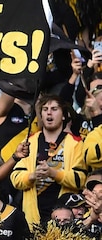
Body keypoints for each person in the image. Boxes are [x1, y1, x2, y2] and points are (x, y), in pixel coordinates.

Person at [11, 94, 87, 225]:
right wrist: (32, 176)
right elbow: (15, 177)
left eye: (54, 109)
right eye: (45, 109)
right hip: (33, 216)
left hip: (64, 218)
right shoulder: (29, 142)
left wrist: (53, 174)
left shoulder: (76, 143)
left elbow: (80, 179)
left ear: (64, 115)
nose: (49, 113)